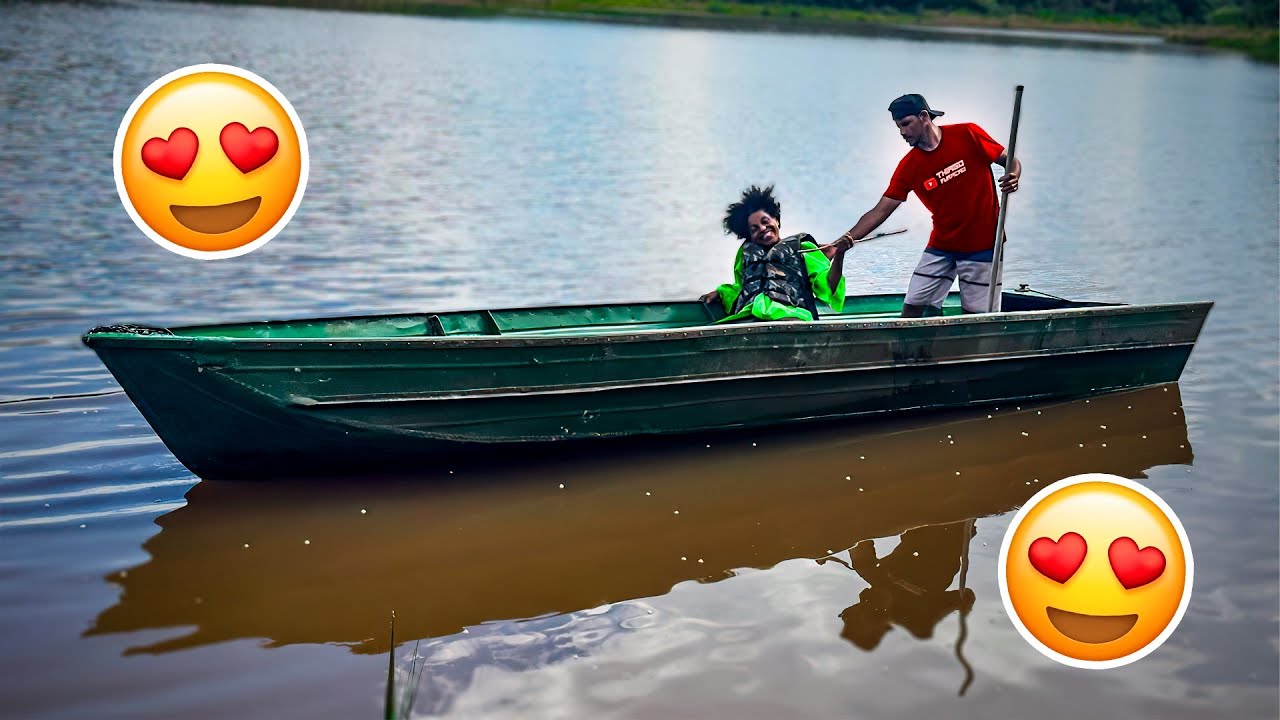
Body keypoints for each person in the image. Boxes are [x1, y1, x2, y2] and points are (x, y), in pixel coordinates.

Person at [829, 94, 1022, 317]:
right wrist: (839, 244)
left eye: (905, 124)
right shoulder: (909, 167)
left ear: (924, 117)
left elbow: (1010, 161)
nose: (902, 132)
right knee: (912, 309)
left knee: (977, 316)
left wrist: (1014, 175)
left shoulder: (968, 134)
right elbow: (880, 211)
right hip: (942, 246)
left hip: (985, 245)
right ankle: (915, 351)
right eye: (898, 126)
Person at [700, 184, 848, 323]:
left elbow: (828, 284)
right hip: (748, 317)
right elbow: (740, 288)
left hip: (791, 317)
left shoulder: (802, 248)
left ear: (776, 220)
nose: (763, 228)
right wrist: (719, 293)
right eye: (754, 229)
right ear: (749, 235)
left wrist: (839, 255)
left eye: (765, 221)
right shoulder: (745, 254)